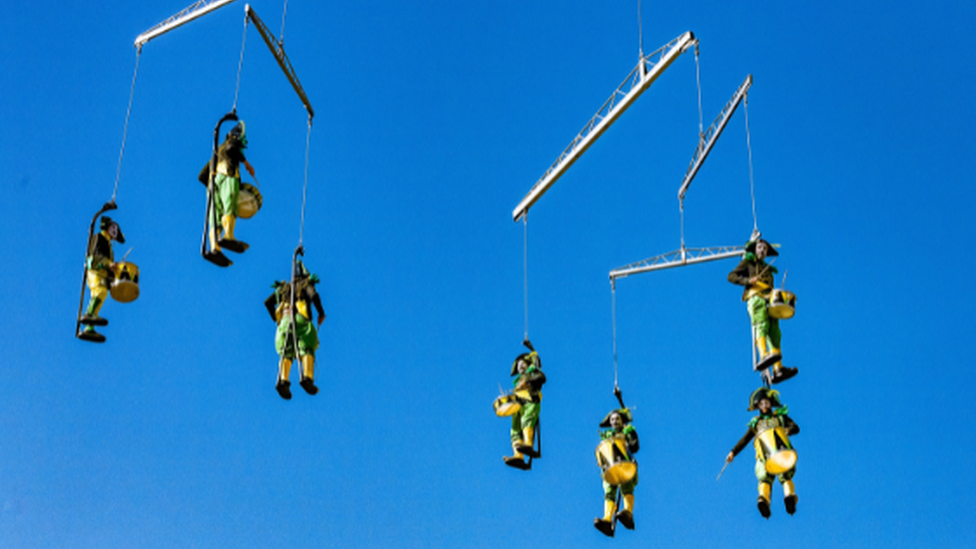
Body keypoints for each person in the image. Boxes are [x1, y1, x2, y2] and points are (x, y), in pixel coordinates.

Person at [727, 233, 798, 384]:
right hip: (756, 297)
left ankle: (778, 368)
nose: (762, 250)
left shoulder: (768, 269)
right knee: (762, 324)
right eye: (760, 247)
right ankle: (763, 354)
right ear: (755, 249)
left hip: (769, 299)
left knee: (775, 332)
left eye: (765, 248)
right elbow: (731, 276)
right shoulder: (748, 263)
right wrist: (748, 280)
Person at [725, 387, 800, 519]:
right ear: (758, 406)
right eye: (761, 404)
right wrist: (733, 452)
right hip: (764, 456)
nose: (764, 406)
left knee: (785, 475)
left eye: (766, 403)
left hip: (781, 452)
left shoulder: (780, 417)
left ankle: (789, 497)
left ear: (771, 403)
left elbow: (795, 427)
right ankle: (763, 500)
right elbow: (745, 439)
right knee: (764, 477)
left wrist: (788, 431)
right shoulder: (756, 423)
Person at [264, 261, 325, 400]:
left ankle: (283, 379)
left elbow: (267, 303)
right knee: (307, 347)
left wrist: (277, 319)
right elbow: (314, 296)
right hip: (300, 319)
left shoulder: (284, 288)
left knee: (286, 351)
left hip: (284, 322)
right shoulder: (305, 284)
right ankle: (307, 377)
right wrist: (321, 314)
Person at [199, 121, 255, 257]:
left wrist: (214, 187)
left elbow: (202, 176)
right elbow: (232, 149)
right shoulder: (232, 142)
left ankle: (215, 247)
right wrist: (247, 164)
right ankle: (228, 235)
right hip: (228, 175)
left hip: (212, 185)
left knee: (215, 217)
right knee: (230, 206)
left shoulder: (217, 151)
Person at [78, 216, 125, 343]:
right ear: (107, 227)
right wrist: (108, 264)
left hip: (102, 274)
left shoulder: (110, 248)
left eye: (117, 228)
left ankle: (89, 327)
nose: (115, 230)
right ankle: (89, 315)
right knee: (100, 292)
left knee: (100, 296)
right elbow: (96, 254)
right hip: (95, 270)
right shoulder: (99, 238)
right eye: (113, 227)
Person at [594, 408, 639, 537]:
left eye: (617, 418)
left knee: (627, 487)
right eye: (612, 419)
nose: (614, 421)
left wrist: (631, 434)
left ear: (621, 420)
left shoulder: (627, 431)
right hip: (610, 467)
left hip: (626, 464)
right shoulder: (607, 436)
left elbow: (635, 447)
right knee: (609, 492)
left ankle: (628, 513)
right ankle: (607, 519)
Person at [502, 342, 545, 470]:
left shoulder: (533, 374)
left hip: (530, 401)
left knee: (527, 421)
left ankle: (528, 444)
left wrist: (527, 381)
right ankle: (518, 454)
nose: (520, 366)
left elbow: (541, 377)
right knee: (515, 430)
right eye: (519, 365)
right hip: (518, 406)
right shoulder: (517, 383)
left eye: (522, 363)